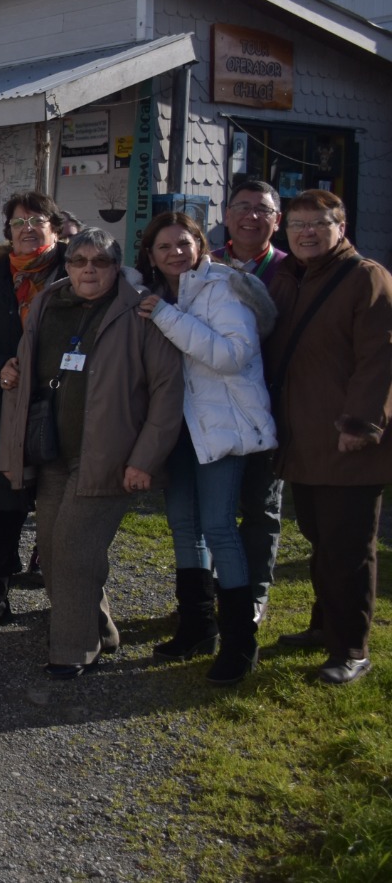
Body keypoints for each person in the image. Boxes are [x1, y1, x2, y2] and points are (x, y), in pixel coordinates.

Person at [0, 227, 183, 679]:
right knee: (54, 552)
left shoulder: (139, 310)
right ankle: (98, 626)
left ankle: (74, 649)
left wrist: (145, 459)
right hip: (53, 449)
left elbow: (167, 389)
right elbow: (29, 359)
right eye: (79, 261)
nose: (88, 270)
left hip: (109, 457)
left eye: (99, 262)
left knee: (76, 550)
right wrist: (12, 371)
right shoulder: (50, 302)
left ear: (116, 267)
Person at [136, 211, 276, 683]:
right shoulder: (158, 296)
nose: (175, 253)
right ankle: (197, 624)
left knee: (219, 527)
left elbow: (233, 356)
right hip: (178, 428)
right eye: (164, 247)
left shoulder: (224, 288)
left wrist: (166, 317)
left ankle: (240, 644)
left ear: (200, 244)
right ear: (151, 256)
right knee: (182, 525)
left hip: (221, 427)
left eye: (183, 243)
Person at [266, 190, 392, 686]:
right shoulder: (290, 279)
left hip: (348, 441)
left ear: (341, 227)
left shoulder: (366, 277)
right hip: (305, 439)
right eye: (297, 224)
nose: (306, 232)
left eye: (319, 223)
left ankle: (352, 649)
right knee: (323, 540)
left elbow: (380, 357)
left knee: (348, 549)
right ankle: (325, 626)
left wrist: (361, 423)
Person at [0, 192, 65, 632]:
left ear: (54, 228)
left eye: (38, 220)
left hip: (62, 407)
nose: (28, 228)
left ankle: (74, 606)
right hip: (5, 409)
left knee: (62, 512)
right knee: (3, 507)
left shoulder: (75, 272)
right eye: (19, 222)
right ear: (8, 232)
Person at [211, 178, 288, 620]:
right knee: (212, 511)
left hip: (267, 409)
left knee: (260, 506)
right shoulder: (205, 265)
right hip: (213, 408)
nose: (251, 216)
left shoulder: (289, 271)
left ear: (276, 221)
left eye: (262, 209)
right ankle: (209, 593)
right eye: (242, 206)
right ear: (226, 215)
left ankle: (254, 593)